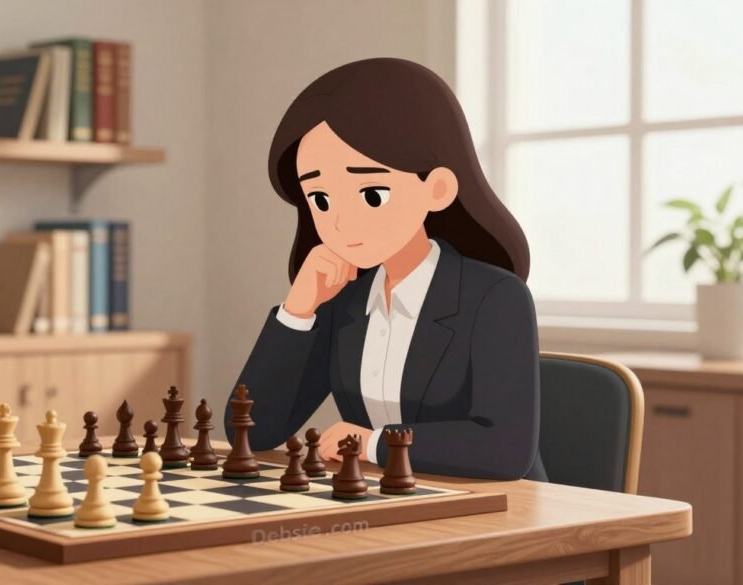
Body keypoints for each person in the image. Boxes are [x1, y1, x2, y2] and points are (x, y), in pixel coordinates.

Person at [227, 58, 545, 481]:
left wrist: (371, 442)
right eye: (321, 199)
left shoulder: (494, 296)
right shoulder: (347, 299)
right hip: (387, 499)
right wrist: (297, 312)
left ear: (437, 189)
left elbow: (504, 449)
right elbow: (254, 431)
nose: (339, 222)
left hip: (496, 512)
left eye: (371, 194)